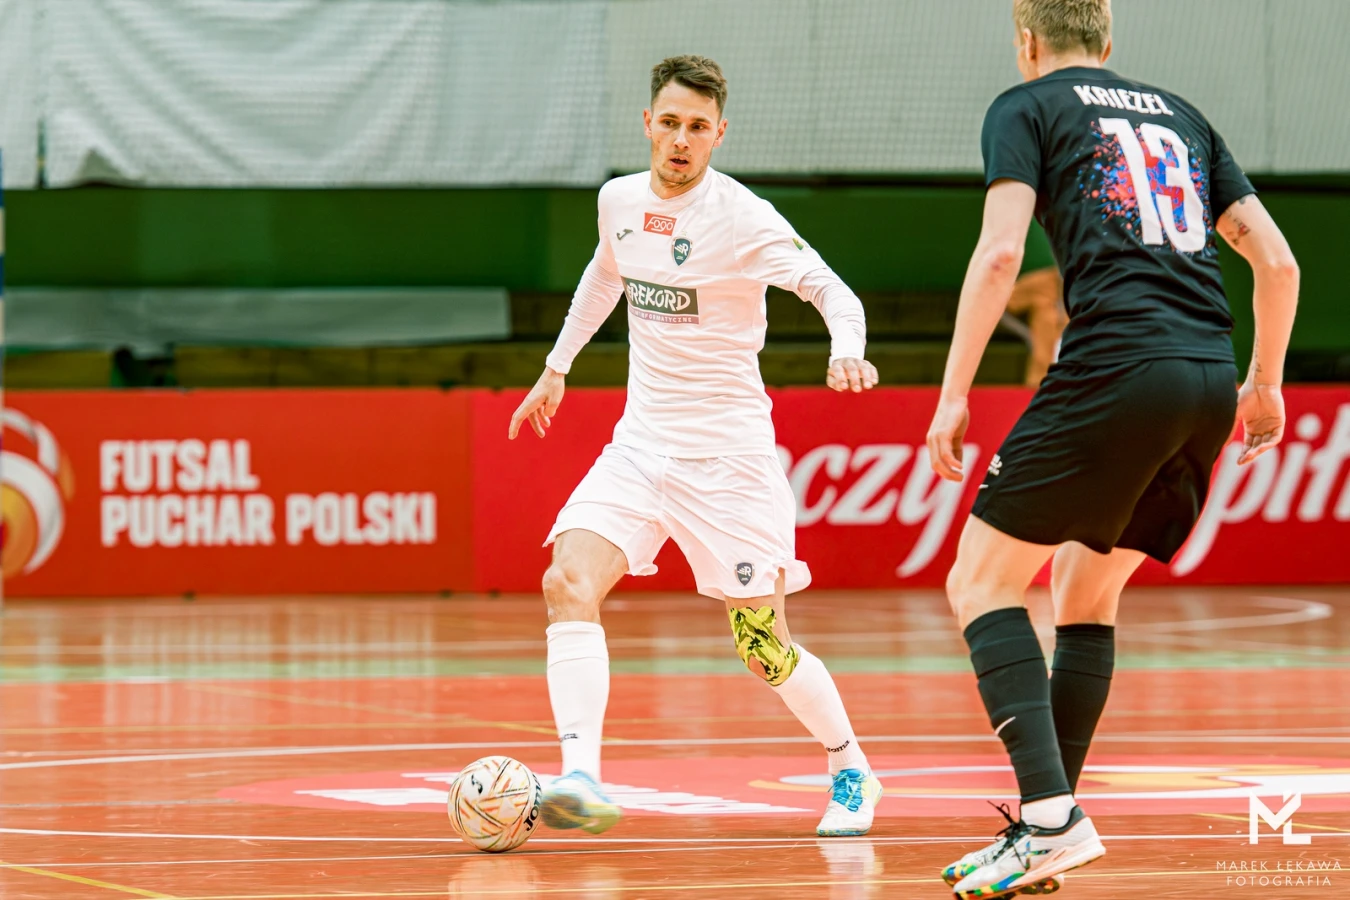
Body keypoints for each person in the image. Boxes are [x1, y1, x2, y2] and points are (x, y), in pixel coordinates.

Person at [924, 1, 1299, 896]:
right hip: (1207, 379)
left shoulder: (1027, 105)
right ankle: (1048, 824)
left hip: (1116, 367)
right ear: (1108, 40)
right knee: (1085, 591)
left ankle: (1052, 822)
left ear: (1027, 42)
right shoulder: (1182, 115)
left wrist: (953, 393)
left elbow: (999, 256)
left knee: (979, 582)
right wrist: (1266, 382)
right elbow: (1279, 264)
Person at [508, 55, 884, 838]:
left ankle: (850, 765)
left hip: (728, 462)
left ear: (720, 134)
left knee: (763, 647)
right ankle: (580, 777)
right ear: (649, 124)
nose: (682, 140)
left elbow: (831, 289)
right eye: (671, 123)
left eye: (698, 128)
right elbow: (606, 274)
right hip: (641, 448)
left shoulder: (744, 218)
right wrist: (556, 366)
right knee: (566, 580)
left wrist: (845, 347)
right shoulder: (618, 199)